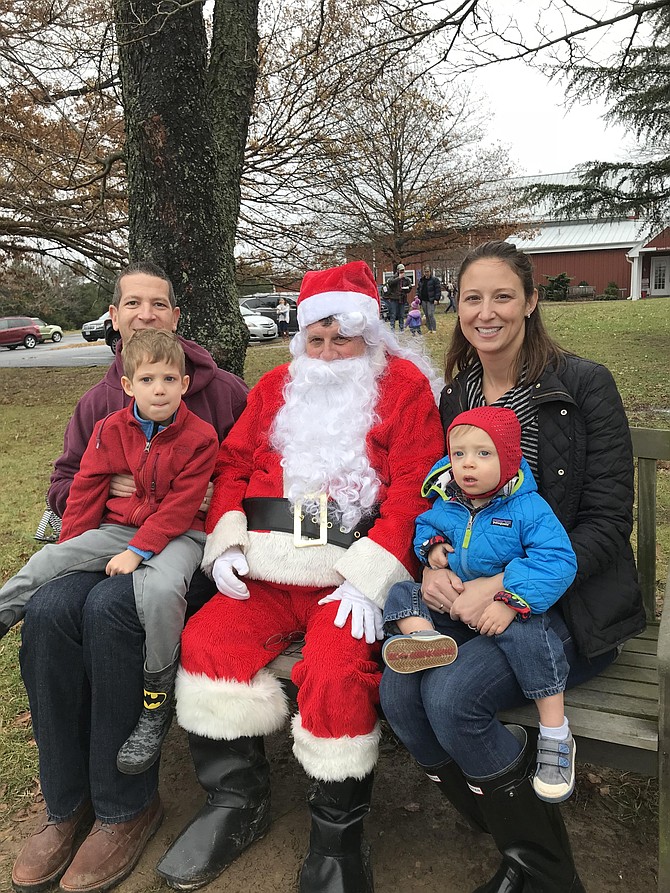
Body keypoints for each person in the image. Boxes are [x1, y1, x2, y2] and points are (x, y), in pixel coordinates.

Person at [154, 260, 445, 893]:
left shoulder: (403, 391)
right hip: (267, 566)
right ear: (301, 339)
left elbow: (416, 493)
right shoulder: (274, 388)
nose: (329, 352)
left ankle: (336, 840)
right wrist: (227, 541)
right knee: (207, 642)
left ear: (369, 335)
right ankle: (236, 803)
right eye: (317, 339)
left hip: (347, 571)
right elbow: (232, 466)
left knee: (338, 673)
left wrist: (372, 576)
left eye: (343, 338)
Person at [379, 240, 646, 892]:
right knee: (397, 693)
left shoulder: (582, 386)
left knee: (451, 695)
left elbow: (609, 524)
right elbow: (447, 502)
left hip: (566, 605)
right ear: (456, 306)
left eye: (503, 295)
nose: (486, 311)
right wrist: (435, 558)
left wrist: (503, 583)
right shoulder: (459, 394)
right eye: (473, 297)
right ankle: (499, 810)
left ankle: (541, 868)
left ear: (530, 301)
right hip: (473, 600)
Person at [11, 262, 248, 893]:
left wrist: (188, 498)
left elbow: (248, 471)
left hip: (185, 552)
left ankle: (125, 803)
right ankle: (67, 800)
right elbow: (66, 481)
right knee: (52, 609)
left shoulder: (219, 392)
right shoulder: (100, 401)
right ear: (114, 318)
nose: (146, 313)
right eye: (132, 304)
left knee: (111, 609)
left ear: (176, 315)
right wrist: (103, 496)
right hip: (109, 536)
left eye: (159, 303)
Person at [0, 330, 219, 774]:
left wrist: (140, 552)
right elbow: (85, 489)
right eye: (147, 379)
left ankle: (156, 698)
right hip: (119, 527)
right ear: (127, 384)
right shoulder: (109, 429)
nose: (159, 389)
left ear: (183, 384)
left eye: (169, 379)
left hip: (182, 536)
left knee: (159, 592)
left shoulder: (201, 437)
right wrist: (72, 545)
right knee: (47, 562)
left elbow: (180, 508)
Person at [382, 405, 579, 802]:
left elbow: (557, 560)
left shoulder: (527, 508)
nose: (468, 464)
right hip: (454, 609)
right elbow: (427, 526)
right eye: (459, 454)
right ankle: (423, 642)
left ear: (507, 459)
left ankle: (556, 733)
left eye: (483, 454)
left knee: (529, 637)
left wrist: (509, 599)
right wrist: (432, 549)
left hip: (507, 606)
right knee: (402, 593)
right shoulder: (449, 501)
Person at [385, 262, 412, 331]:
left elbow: (409, 288)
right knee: (393, 315)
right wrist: (398, 278)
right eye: (401, 270)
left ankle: (401, 329)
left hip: (402, 299)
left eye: (403, 270)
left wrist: (407, 288)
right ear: (398, 270)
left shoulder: (406, 279)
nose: (402, 272)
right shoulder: (393, 278)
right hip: (394, 299)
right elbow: (390, 283)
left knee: (401, 315)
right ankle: (392, 329)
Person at [417, 264, 441, 333]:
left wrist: (437, 299)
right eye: (425, 272)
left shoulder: (435, 280)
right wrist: (418, 299)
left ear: (430, 272)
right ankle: (429, 329)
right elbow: (418, 290)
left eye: (427, 271)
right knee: (426, 315)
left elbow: (438, 290)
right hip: (423, 300)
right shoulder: (422, 280)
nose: (426, 273)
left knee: (431, 314)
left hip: (431, 300)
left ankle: (434, 329)